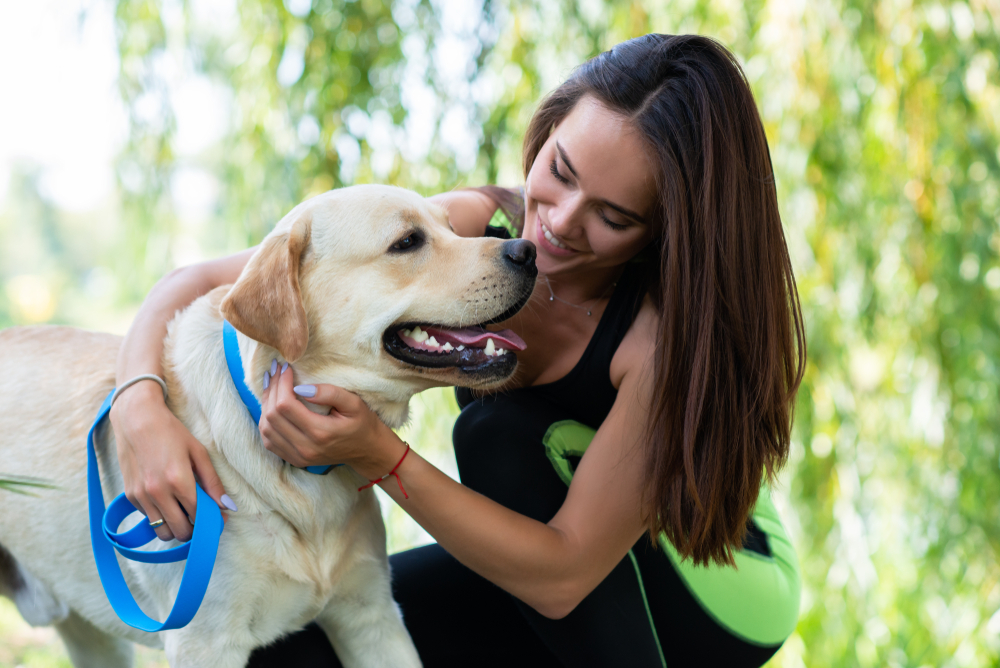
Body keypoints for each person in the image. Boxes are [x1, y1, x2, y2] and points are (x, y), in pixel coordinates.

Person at [110, 34, 805, 667]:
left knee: (498, 437)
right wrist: (140, 409)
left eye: (614, 216)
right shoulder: (467, 233)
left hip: (710, 587)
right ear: (549, 128)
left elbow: (564, 575)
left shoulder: (655, 340)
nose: (558, 224)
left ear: (663, 233)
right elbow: (196, 282)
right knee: (294, 651)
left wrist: (376, 455)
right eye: (560, 171)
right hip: (547, 573)